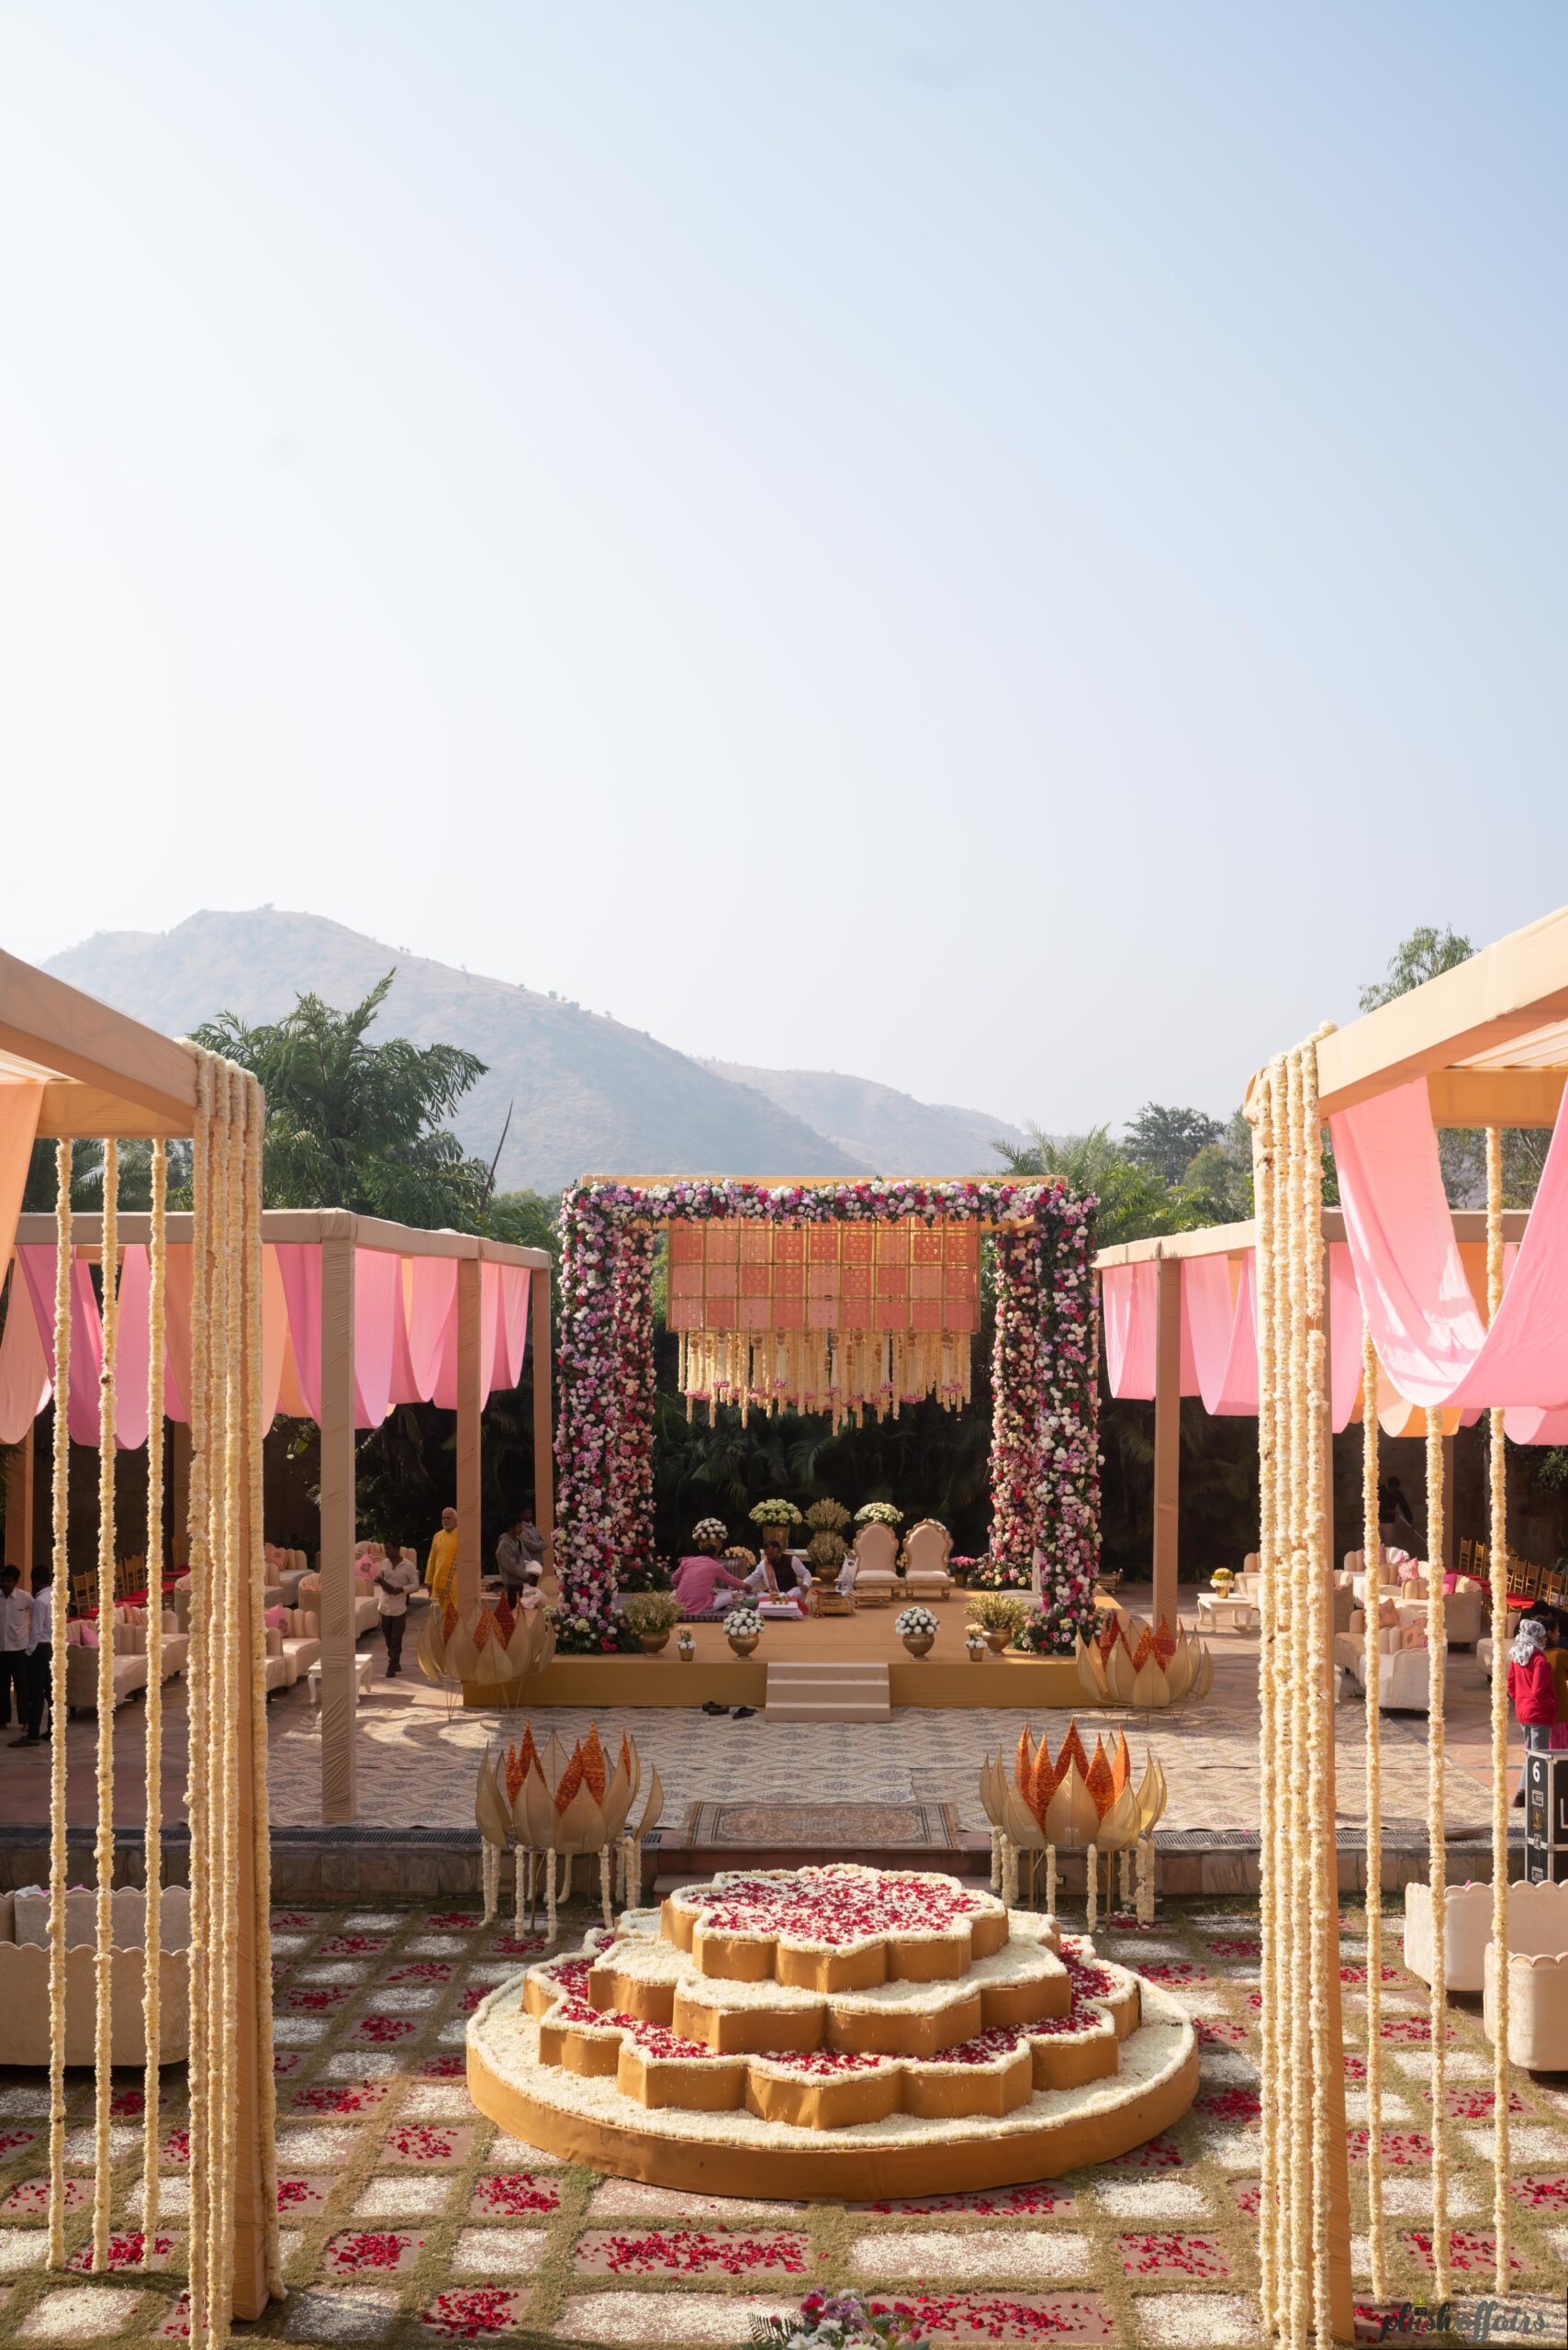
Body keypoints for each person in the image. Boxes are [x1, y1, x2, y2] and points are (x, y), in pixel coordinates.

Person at [1508, 1610, 1559, 1807]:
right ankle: (1526, 1794)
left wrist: (1521, 1702)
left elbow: (1511, 1685)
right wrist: (1552, 1705)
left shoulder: (1518, 1657)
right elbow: (1539, 1690)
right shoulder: (1540, 1661)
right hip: (1538, 1713)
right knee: (1537, 1755)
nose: (1545, 1640)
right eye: (1543, 1637)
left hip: (1524, 1712)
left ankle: (1523, 1794)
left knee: (1532, 1752)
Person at [14, 1566, 53, 1746]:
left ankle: (33, 1734)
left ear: (35, 1581)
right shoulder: (57, 1597)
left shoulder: (40, 1601)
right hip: (54, 1648)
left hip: (40, 1649)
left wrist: (28, 1653)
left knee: (36, 1693)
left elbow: (36, 1630)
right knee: (51, 1693)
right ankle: (53, 1730)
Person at [373, 1542, 420, 1677]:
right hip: (384, 1605)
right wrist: (378, 1580)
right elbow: (380, 1578)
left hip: (399, 1607)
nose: (386, 1551)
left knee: (396, 1638)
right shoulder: (384, 1563)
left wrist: (402, 1589)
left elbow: (415, 1585)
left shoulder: (408, 1566)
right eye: (385, 1548)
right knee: (388, 1638)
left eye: (388, 1548)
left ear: (397, 1549)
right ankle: (396, 1660)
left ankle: (392, 1665)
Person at [744, 1531, 811, 1611]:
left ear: (778, 1551)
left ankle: (780, 1602)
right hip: (772, 1595)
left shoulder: (792, 1560)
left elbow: (806, 1573)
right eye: (766, 1554)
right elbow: (754, 1577)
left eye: (770, 1554)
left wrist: (806, 1584)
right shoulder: (763, 1564)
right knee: (757, 1596)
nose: (768, 1557)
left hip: (790, 1593)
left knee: (800, 1591)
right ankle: (783, 1602)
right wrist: (742, 1584)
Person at [671, 1550, 748, 1617]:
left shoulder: (688, 1562)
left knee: (718, 1594)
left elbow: (674, 1580)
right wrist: (748, 1587)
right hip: (699, 1608)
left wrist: (687, 1587)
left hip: (679, 1606)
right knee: (730, 1596)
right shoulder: (714, 1565)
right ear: (714, 1555)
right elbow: (732, 1581)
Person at [0, 1567, 30, 1732]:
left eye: (9, 1581)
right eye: (3, 1580)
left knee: (22, 1687)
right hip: (1, 1649)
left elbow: (37, 1613)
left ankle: (25, 1721)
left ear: (16, 1582)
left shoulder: (25, 1598)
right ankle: (2, 1720)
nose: (5, 1584)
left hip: (19, 1649)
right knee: (2, 1687)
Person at [495, 1514, 545, 1600]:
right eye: (519, 1527)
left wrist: (532, 1569)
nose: (521, 1529)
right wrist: (525, 1575)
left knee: (521, 1606)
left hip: (521, 1581)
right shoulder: (504, 1544)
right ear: (511, 1528)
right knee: (514, 1605)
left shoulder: (518, 1541)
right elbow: (511, 1565)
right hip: (511, 1583)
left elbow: (526, 1558)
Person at [425, 1509, 458, 1606]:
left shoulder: (462, 1535)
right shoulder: (437, 1536)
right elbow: (432, 1559)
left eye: (448, 1518)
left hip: (455, 1583)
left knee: (454, 1611)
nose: (445, 1520)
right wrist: (429, 1580)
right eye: (443, 1518)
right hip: (440, 1580)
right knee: (444, 1611)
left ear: (456, 1520)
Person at [1377, 1475, 1415, 1547]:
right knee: (1377, 1544)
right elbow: (1373, 1504)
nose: (1395, 1490)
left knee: (1389, 1544)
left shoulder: (1397, 1493)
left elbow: (1404, 1507)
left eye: (1396, 1488)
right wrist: (1387, 1510)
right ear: (1389, 1485)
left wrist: (1410, 1521)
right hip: (1377, 1521)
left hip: (1389, 1522)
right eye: (1393, 1488)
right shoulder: (1379, 1490)